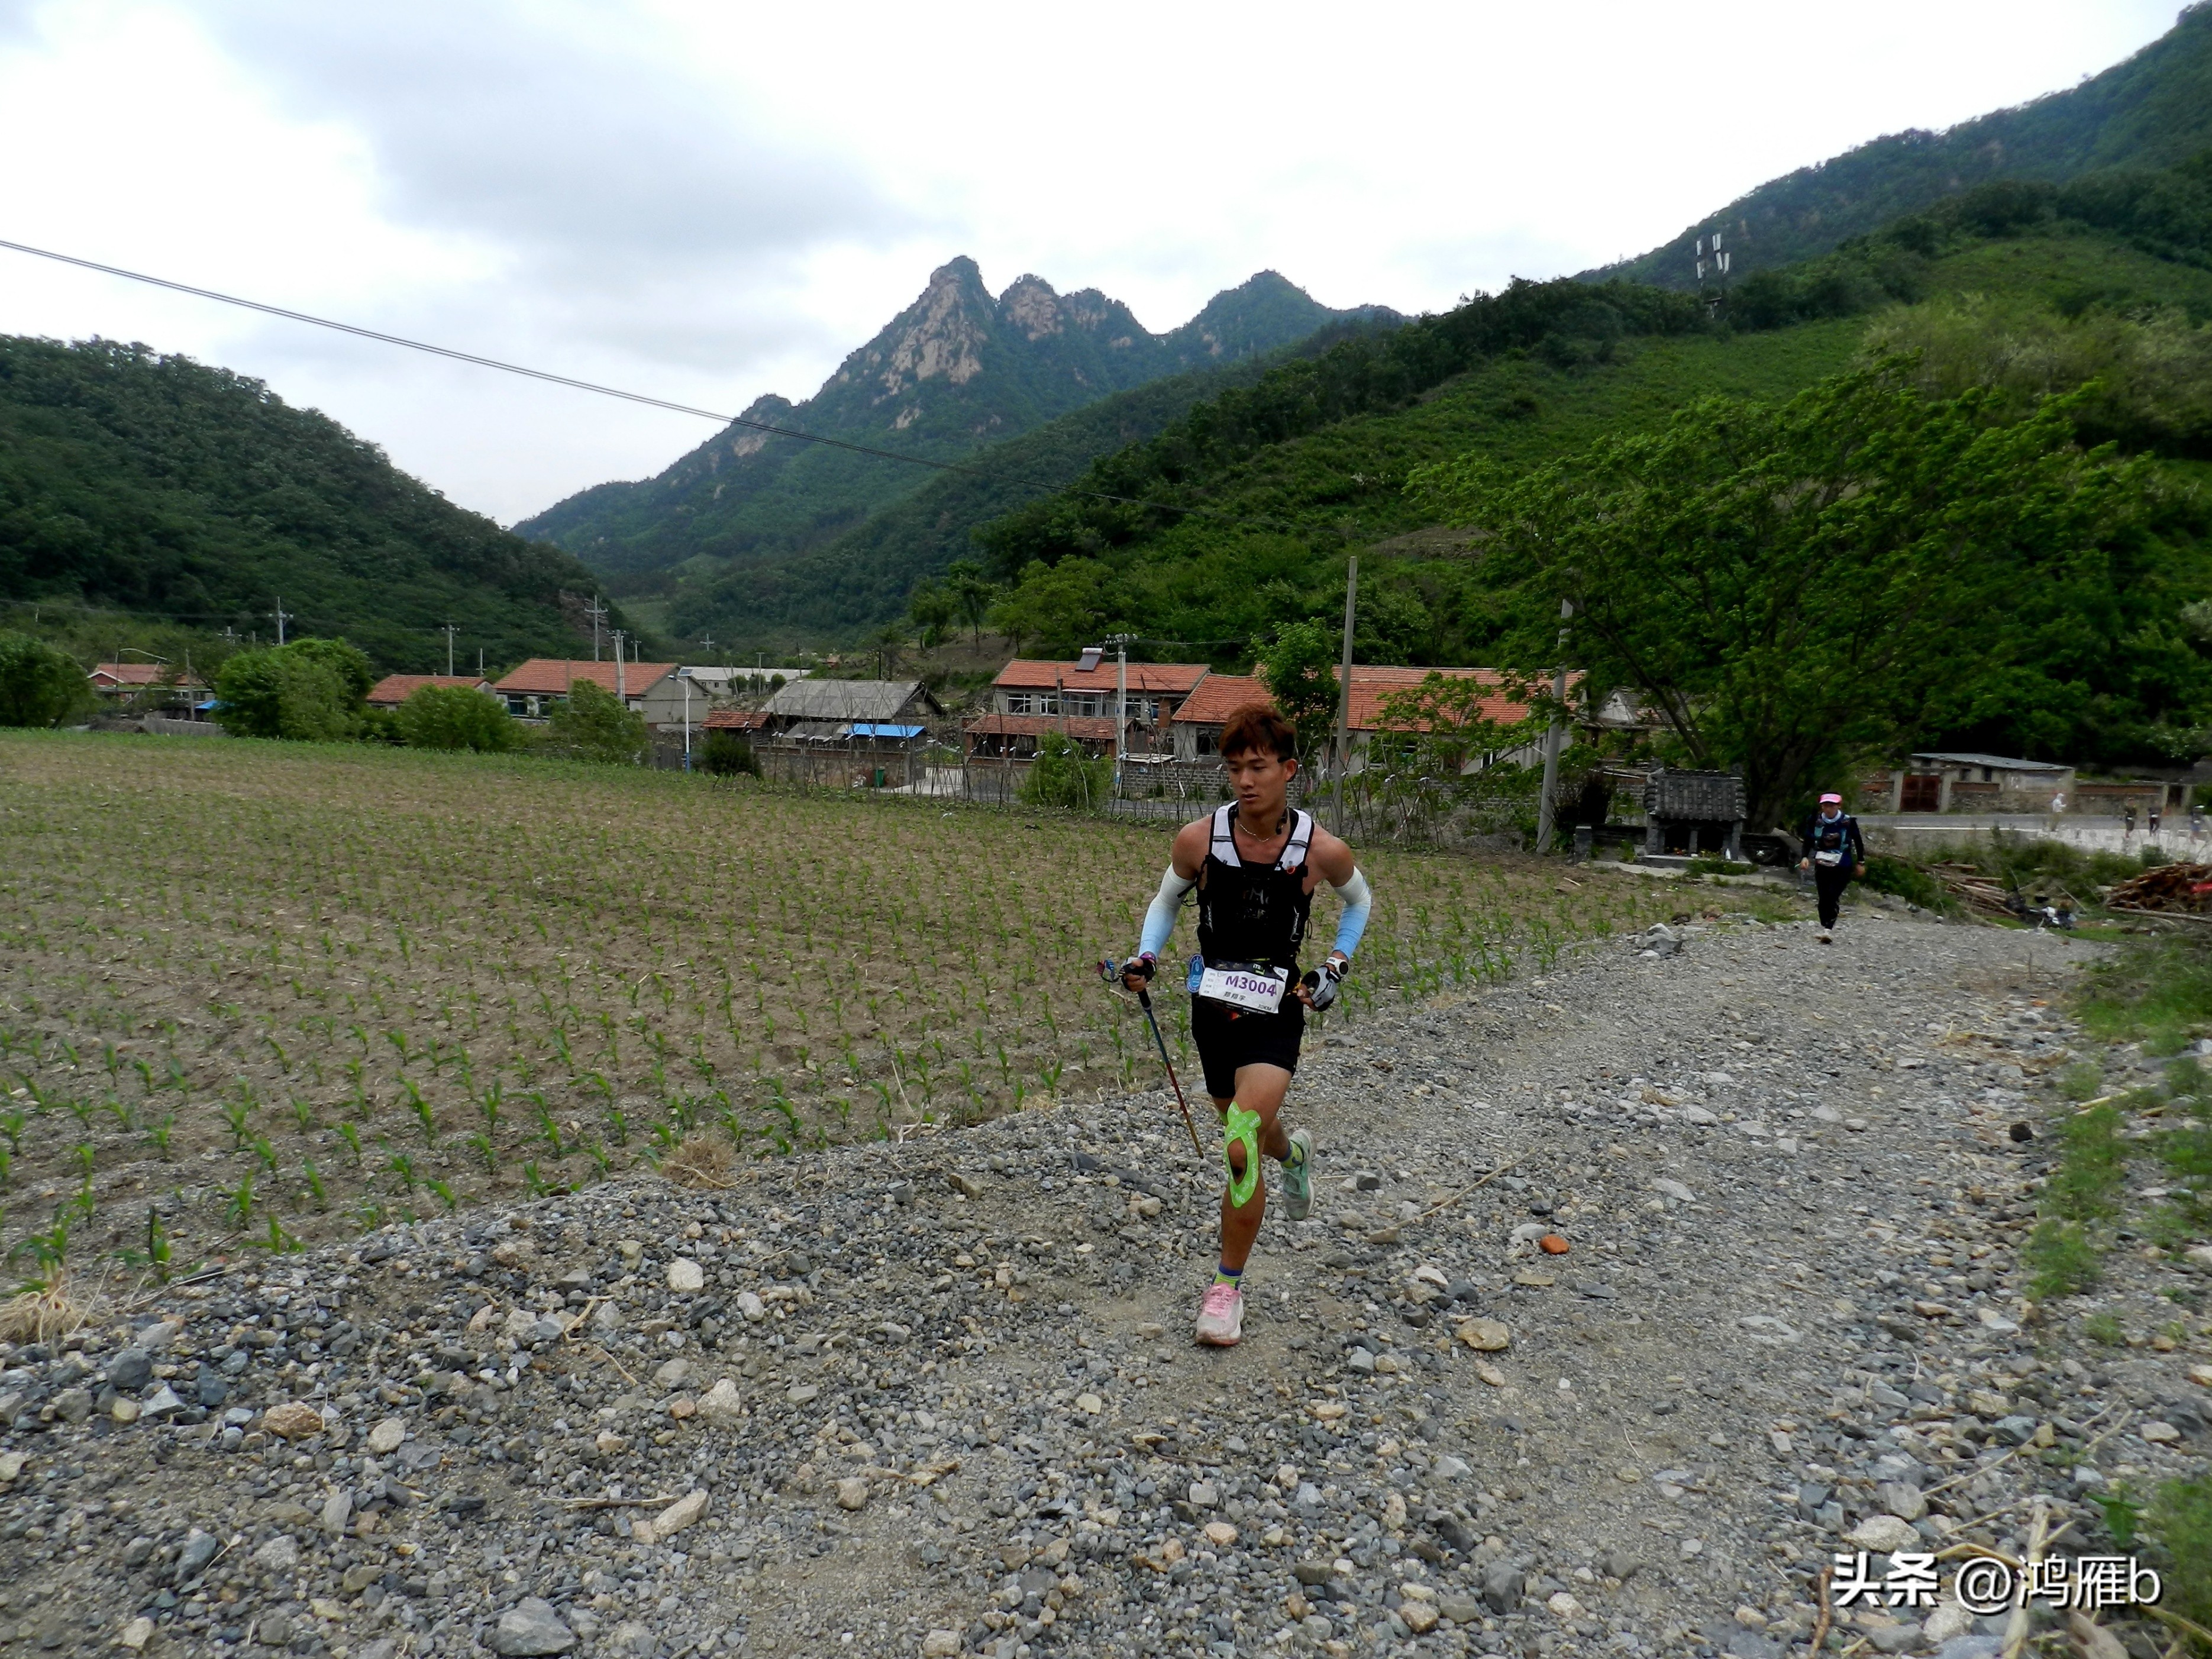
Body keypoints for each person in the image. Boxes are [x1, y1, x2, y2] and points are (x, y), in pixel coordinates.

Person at [1120, 703, 1371, 1347]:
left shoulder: (1320, 849)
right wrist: (1145, 955)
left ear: (1288, 769)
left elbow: (1358, 901)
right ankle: (1295, 1156)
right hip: (1212, 1008)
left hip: (1277, 1009)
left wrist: (1334, 967)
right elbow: (1166, 898)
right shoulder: (1198, 838)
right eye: (1234, 767)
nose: (1244, 780)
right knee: (1254, 1133)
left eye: (1257, 767)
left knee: (1237, 1143)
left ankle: (1225, 1288)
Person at [1797, 792, 1866, 944]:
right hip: (1822, 863)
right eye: (1825, 805)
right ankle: (1824, 926)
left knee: (1833, 895)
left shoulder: (1848, 822)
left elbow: (1858, 842)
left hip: (1843, 864)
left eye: (1832, 806)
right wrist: (1804, 857)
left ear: (1839, 806)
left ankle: (1828, 929)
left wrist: (1861, 863)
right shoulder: (1815, 821)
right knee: (1823, 897)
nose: (1828, 809)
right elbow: (1808, 840)